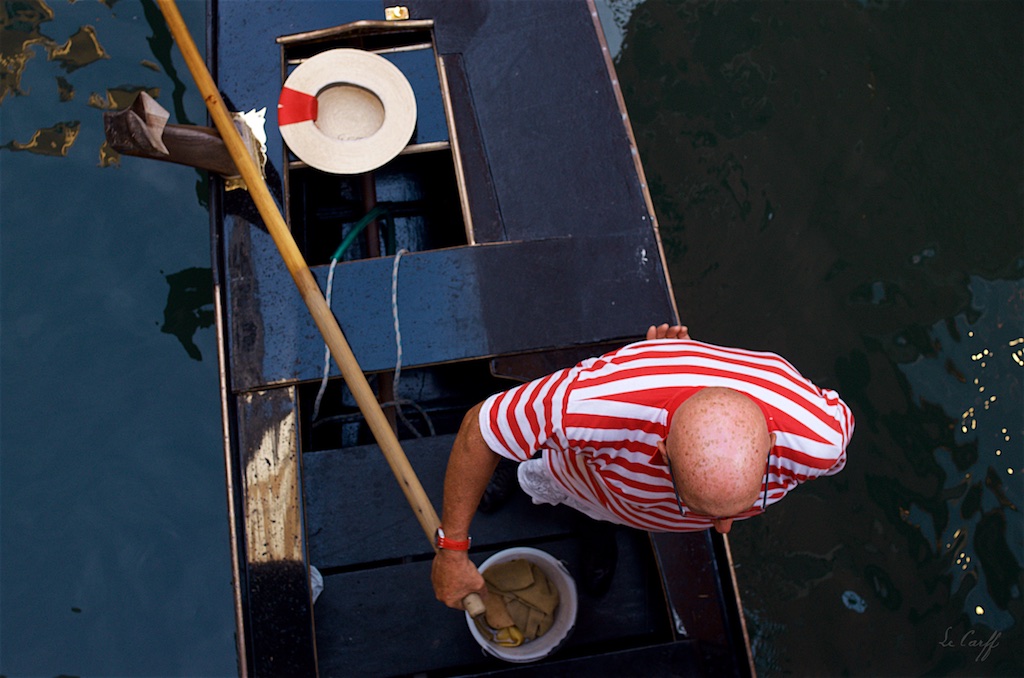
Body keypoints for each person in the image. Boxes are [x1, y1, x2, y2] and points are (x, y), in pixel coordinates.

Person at [432, 324, 854, 610]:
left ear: (773, 444)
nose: (723, 529)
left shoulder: (822, 439)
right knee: (542, 468)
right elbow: (481, 428)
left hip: (626, 489)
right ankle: (523, 464)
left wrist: (682, 356)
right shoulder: (592, 404)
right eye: (704, 511)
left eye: (735, 508)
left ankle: (599, 527)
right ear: (662, 450)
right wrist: (452, 551)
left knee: (599, 516)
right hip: (586, 475)